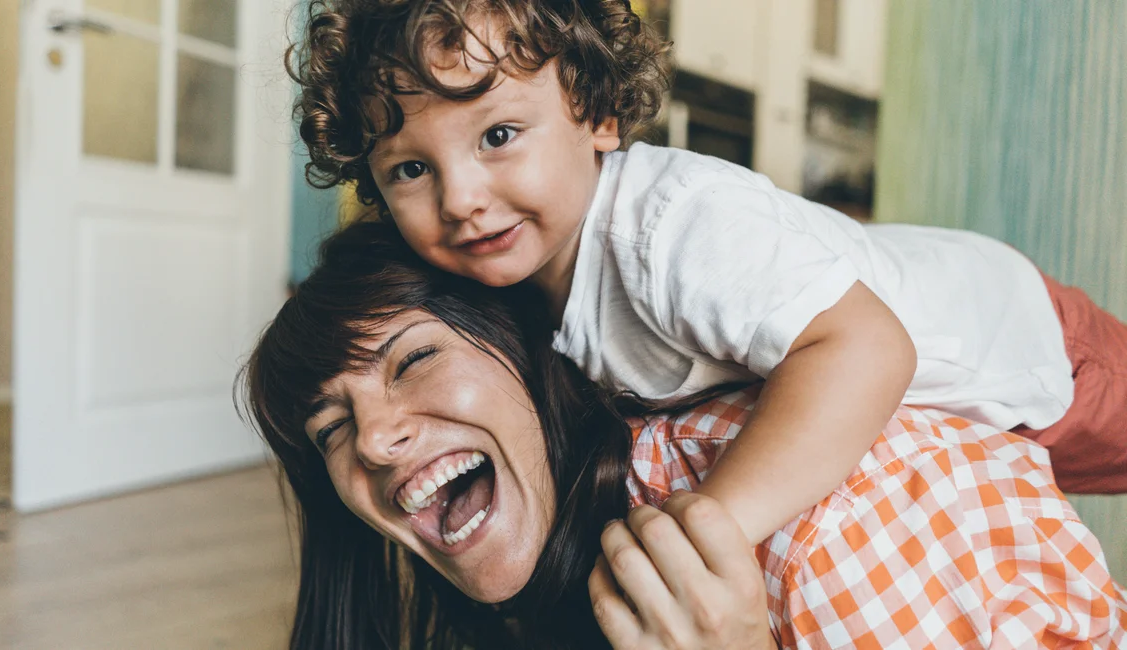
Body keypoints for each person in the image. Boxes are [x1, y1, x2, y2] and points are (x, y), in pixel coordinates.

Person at [284, 0, 1127, 548]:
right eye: (408, 170)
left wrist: (715, 525)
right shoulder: (511, 283)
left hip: (1019, 341)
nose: (461, 197)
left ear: (600, 114)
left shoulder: (672, 227)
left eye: (498, 135)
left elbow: (865, 347)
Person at [241, 221, 1127, 649]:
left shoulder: (835, 528)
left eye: (412, 361)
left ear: (536, 352)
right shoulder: (565, 563)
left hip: (1038, 344)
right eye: (330, 428)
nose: (377, 443)